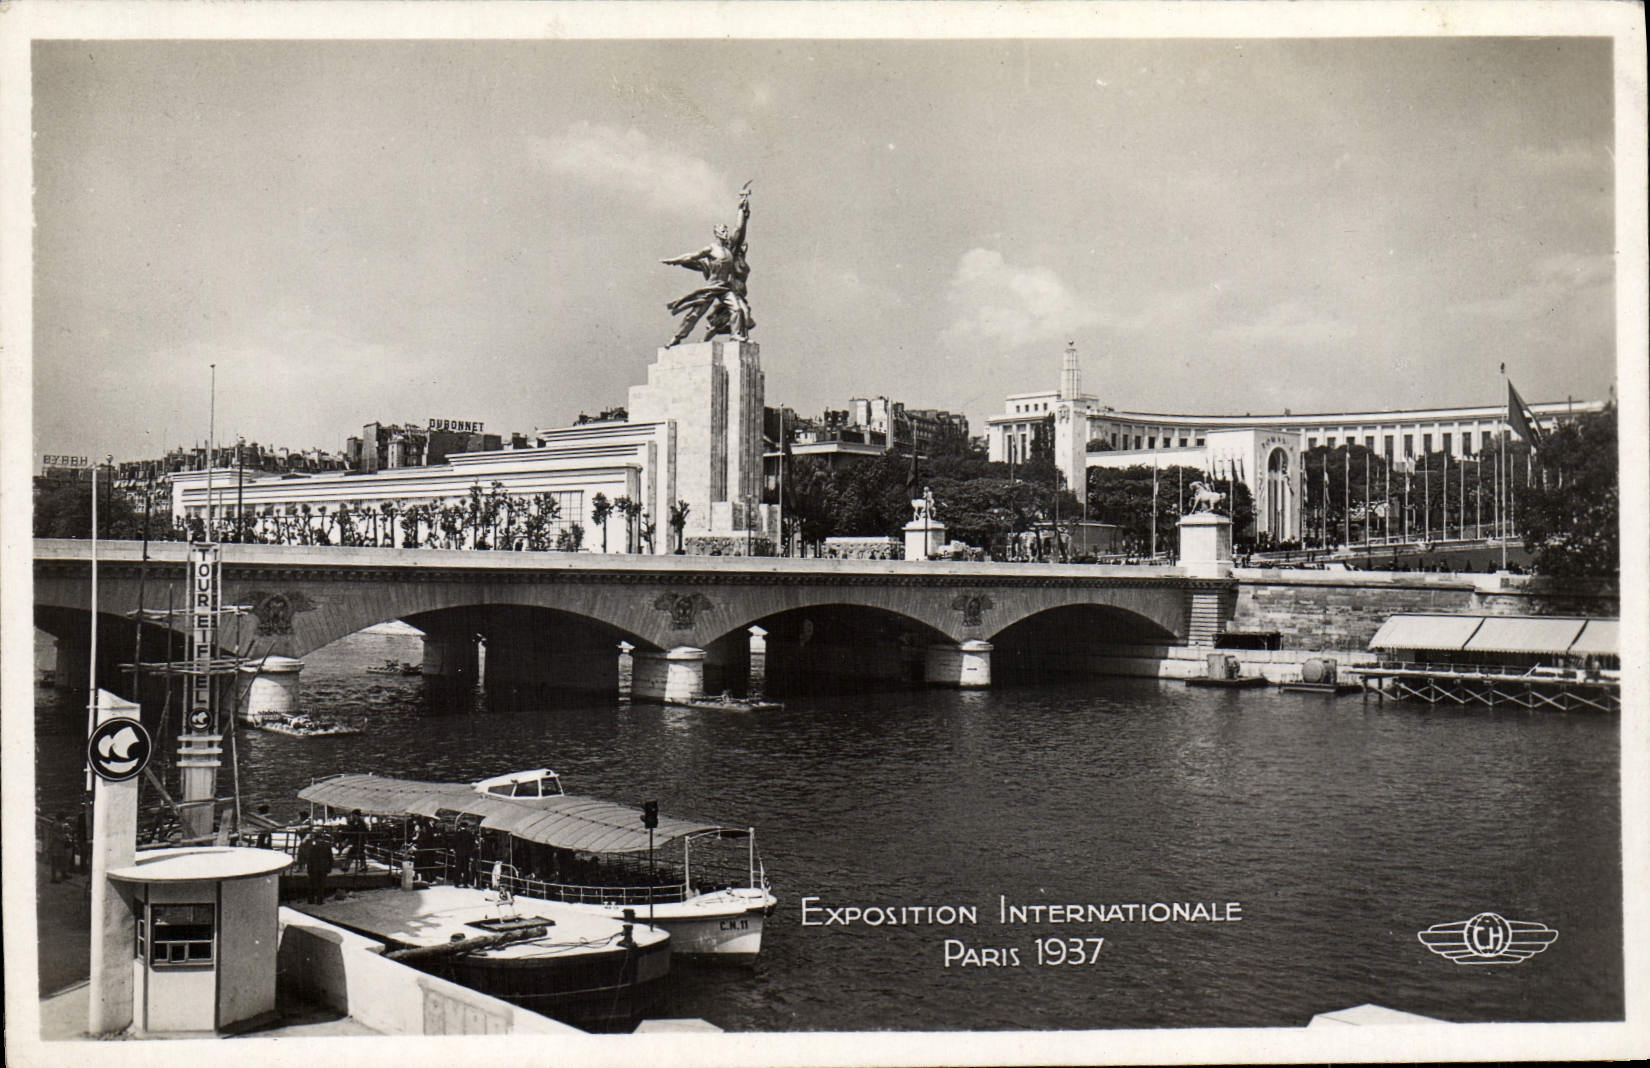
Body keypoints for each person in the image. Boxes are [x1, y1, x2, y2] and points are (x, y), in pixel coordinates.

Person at [662, 182, 754, 345]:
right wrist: (673, 261)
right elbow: (692, 257)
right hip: (712, 287)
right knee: (695, 314)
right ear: (717, 233)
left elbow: (739, 229)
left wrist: (742, 206)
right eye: (723, 231)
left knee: (737, 309)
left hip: (725, 288)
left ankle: (736, 335)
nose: (726, 233)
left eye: (726, 231)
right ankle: (677, 337)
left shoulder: (730, 250)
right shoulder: (711, 249)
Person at [303, 830, 333, 905]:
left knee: (312, 884)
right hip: (323, 868)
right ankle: (320, 901)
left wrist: (309, 869)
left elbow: (309, 858)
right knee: (321, 885)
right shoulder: (327, 845)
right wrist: (329, 868)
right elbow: (331, 858)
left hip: (314, 868)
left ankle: (311, 900)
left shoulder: (312, 846)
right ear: (322, 838)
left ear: (315, 838)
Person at [451, 821, 477, 888]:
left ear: (460, 827)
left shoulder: (457, 834)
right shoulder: (469, 834)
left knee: (458, 868)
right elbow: (472, 844)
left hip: (459, 853)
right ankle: (465, 883)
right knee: (466, 868)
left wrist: (454, 850)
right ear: (466, 827)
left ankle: (456, 882)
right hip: (466, 854)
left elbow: (453, 843)